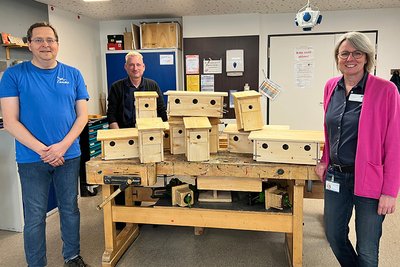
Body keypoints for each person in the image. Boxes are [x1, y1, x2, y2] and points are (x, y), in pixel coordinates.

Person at [0, 22, 89, 267]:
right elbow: (10, 122)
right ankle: (36, 264)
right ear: (29, 45)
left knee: (70, 210)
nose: (45, 45)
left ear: (57, 44)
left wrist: (62, 147)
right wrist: (45, 151)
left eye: (50, 40)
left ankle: (72, 257)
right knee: (35, 217)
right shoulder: (13, 76)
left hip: (69, 155)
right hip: (31, 159)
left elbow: (82, 116)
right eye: (38, 40)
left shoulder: (73, 74)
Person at [315, 31, 400, 267]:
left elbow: (394, 142)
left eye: (356, 53)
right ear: (337, 57)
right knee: (333, 235)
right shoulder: (331, 86)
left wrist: (390, 191)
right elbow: (329, 129)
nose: (349, 58)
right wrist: (324, 159)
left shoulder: (386, 90)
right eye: (344, 53)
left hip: (370, 179)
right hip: (336, 176)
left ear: (366, 57)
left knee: (368, 249)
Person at [107, 50, 167, 129]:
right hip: (125, 133)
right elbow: (111, 115)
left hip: (149, 133)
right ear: (126, 67)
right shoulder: (116, 87)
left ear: (143, 67)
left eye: (138, 65)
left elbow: (162, 111)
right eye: (131, 65)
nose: (135, 68)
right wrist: (119, 134)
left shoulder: (153, 86)